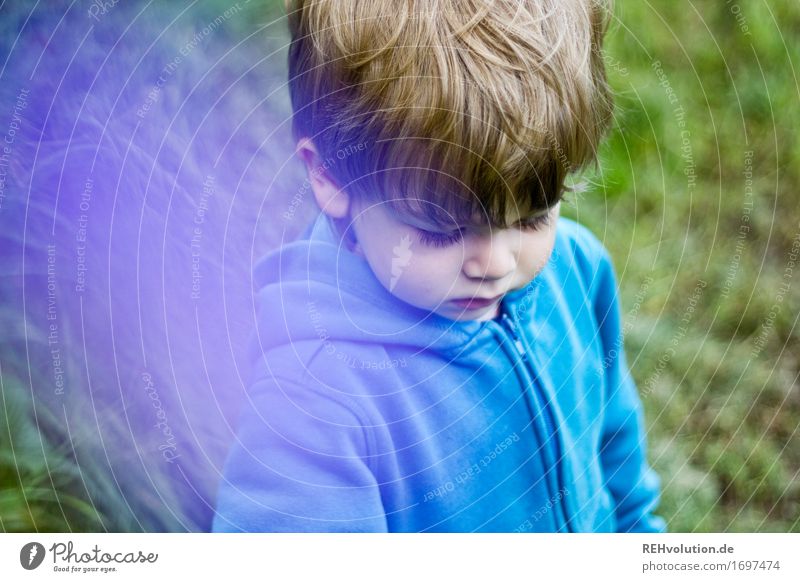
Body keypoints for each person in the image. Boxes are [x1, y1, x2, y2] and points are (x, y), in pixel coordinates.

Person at [211, 0, 666, 532]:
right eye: (440, 230)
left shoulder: (576, 269)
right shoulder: (315, 403)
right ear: (331, 177)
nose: (494, 265)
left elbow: (616, 456)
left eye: (532, 218)